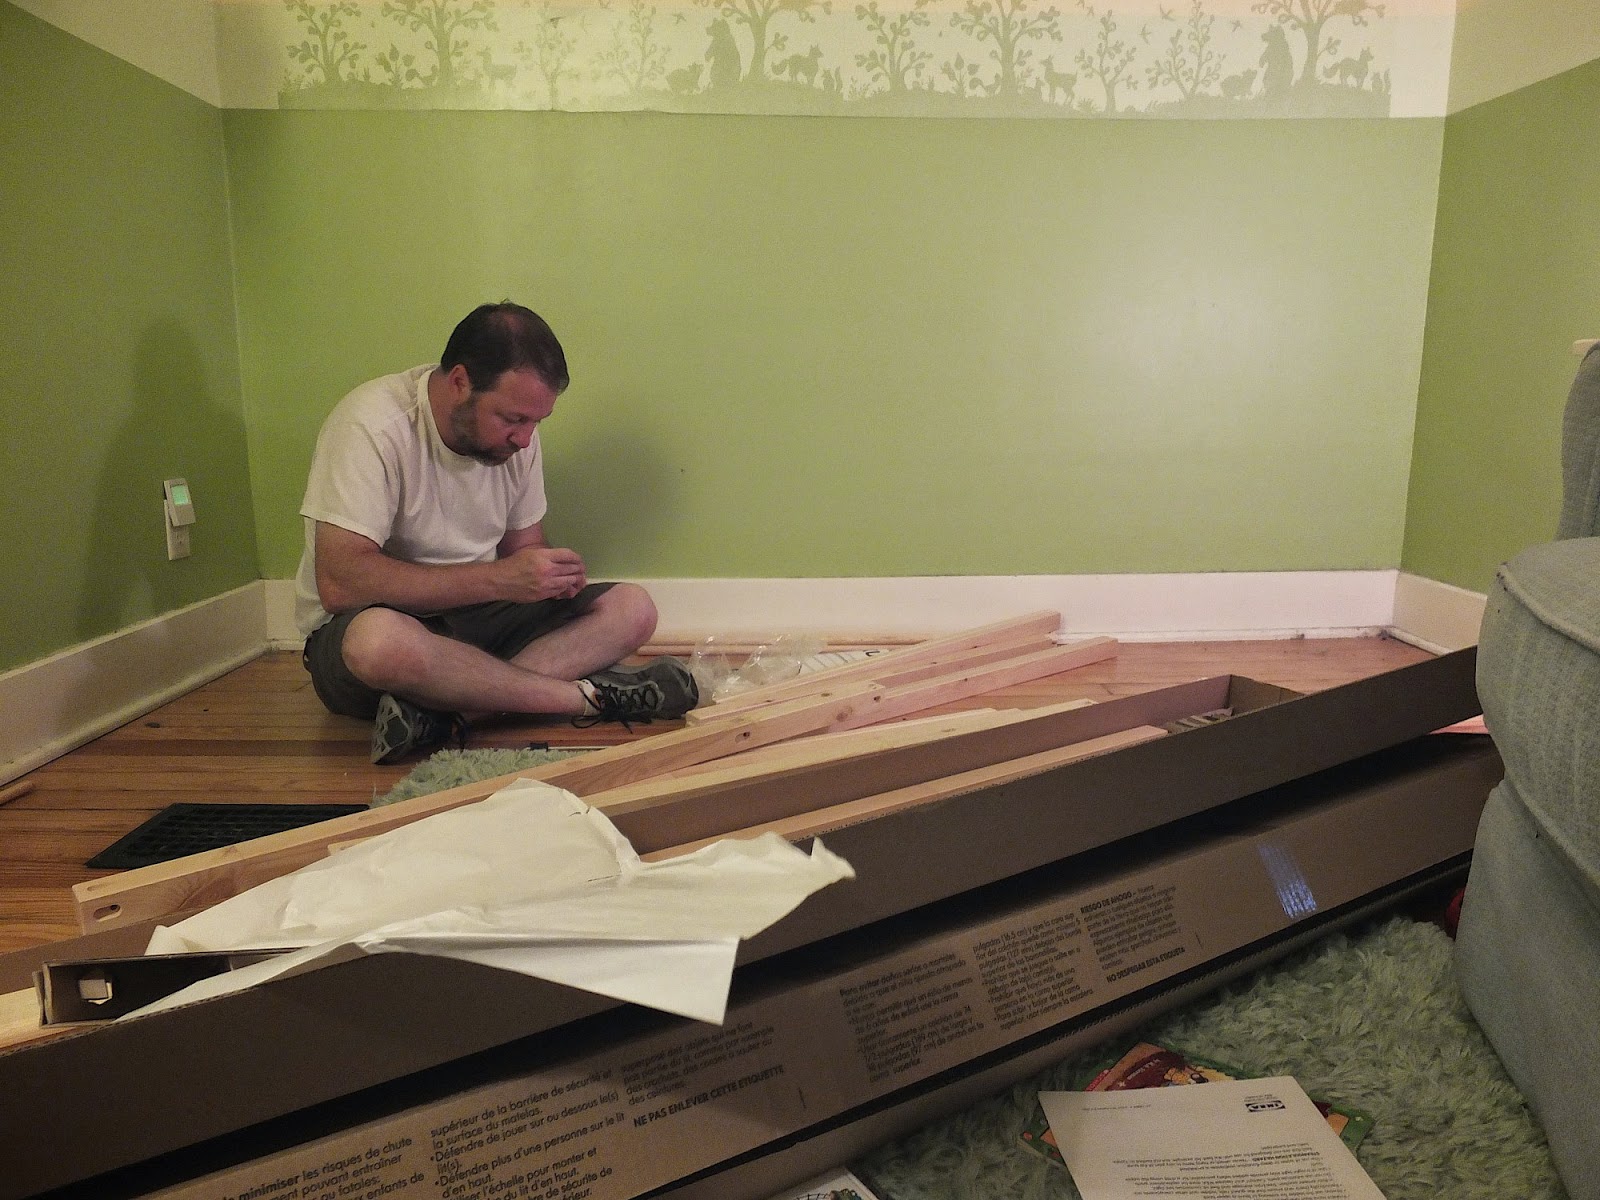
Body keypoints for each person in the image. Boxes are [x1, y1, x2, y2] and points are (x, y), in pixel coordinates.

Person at [294, 301, 698, 764]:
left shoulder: (517, 440)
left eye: (536, 422)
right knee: (379, 643)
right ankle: (585, 698)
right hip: (381, 626)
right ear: (460, 382)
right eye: (512, 420)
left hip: (475, 622)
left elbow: (523, 547)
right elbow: (340, 584)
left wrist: (548, 576)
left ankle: (445, 715)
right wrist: (500, 579)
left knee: (633, 609)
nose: (524, 439)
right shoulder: (371, 425)